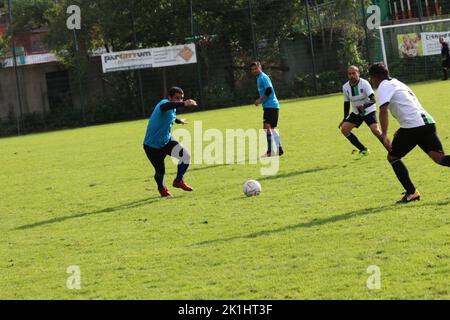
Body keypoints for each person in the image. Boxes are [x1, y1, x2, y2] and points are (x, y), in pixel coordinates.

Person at [369, 62, 450, 204]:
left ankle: (412, 193)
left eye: (371, 77)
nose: (372, 81)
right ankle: (412, 192)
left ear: (376, 77)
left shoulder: (383, 86)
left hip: (413, 126)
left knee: (392, 157)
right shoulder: (397, 82)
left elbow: (383, 110)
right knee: (439, 158)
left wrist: (384, 134)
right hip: (427, 123)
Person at [143, 87, 197, 197]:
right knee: (160, 171)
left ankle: (178, 180)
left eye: (181, 98)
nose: (179, 100)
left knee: (185, 156)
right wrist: (183, 103)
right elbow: (166, 107)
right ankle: (161, 188)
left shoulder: (173, 108)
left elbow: (171, 116)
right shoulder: (164, 103)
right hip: (152, 146)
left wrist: (178, 120)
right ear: (169, 97)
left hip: (166, 141)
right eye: (176, 98)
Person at [339, 65, 383, 158]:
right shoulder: (345, 87)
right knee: (344, 129)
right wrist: (344, 118)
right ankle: (363, 149)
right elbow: (346, 103)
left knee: (375, 130)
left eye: (354, 73)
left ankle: (390, 148)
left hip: (368, 110)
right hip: (356, 112)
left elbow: (373, 99)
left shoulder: (365, 83)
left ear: (358, 73)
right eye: (349, 74)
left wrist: (364, 105)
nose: (352, 75)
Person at [250, 61, 284, 157]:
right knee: (271, 129)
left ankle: (270, 151)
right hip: (270, 106)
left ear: (260, 67)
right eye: (252, 69)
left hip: (270, 106)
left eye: (256, 68)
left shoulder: (263, 77)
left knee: (266, 128)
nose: (254, 70)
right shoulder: (259, 78)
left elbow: (269, 90)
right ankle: (279, 149)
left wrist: (259, 100)